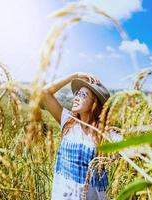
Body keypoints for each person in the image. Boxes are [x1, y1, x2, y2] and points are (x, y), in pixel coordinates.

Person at [41, 72, 110, 200]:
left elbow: (138, 149)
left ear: (94, 103)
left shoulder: (105, 134)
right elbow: (45, 93)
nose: (77, 97)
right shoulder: (68, 122)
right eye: (77, 93)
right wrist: (74, 76)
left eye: (83, 94)